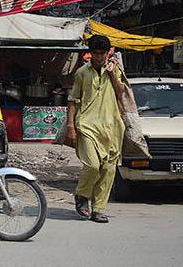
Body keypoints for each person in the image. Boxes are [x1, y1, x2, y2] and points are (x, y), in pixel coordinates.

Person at [66, 35, 126, 224]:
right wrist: (70, 126)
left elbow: (120, 92)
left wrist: (112, 73)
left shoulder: (114, 69)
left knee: (108, 170)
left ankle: (98, 209)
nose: (99, 57)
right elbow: (73, 100)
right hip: (87, 125)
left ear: (108, 53)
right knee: (92, 165)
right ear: (90, 53)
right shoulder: (82, 73)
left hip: (111, 126)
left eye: (102, 54)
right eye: (96, 53)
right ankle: (82, 196)